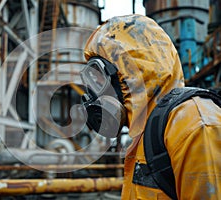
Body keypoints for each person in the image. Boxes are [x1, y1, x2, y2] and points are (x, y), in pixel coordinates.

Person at [80, 14, 221, 199]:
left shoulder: (194, 124)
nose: (97, 94)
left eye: (101, 81)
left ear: (132, 74)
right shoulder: (144, 134)